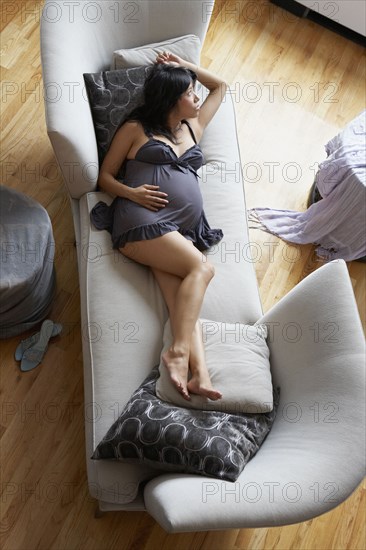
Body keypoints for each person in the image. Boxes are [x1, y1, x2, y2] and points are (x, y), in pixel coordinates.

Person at [91, 51, 227, 401]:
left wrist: (185, 66)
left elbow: (221, 87)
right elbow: (104, 176)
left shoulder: (192, 128)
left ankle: (201, 374)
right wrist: (131, 193)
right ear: (172, 99)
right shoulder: (135, 130)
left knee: (181, 301)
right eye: (189, 92)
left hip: (178, 230)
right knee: (201, 268)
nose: (197, 97)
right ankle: (178, 353)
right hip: (141, 220)